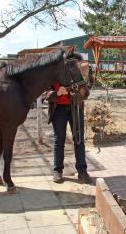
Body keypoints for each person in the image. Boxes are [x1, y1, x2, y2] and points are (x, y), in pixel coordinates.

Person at [46, 53, 92, 184]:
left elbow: (85, 91)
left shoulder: (75, 70)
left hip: (75, 108)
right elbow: (45, 93)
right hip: (58, 109)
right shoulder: (52, 73)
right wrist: (56, 93)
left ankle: (82, 171)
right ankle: (57, 170)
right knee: (59, 140)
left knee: (79, 139)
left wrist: (76, 93)